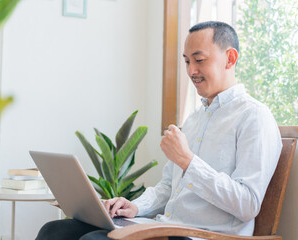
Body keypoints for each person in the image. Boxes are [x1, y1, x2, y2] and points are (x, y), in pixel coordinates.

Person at [36, 21, 282, 240]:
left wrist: (188, 161)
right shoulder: (196, 119)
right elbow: (167, 188)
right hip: (166, 229)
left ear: (230, 58)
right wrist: (134, 207)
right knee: (55, 232)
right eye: (187, 61)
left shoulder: (254, 117)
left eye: (199, 60)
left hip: (201, 236)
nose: (191, 71)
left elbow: (248, 204)